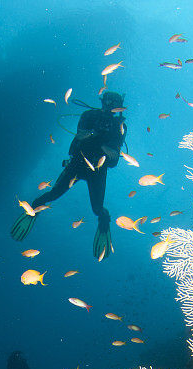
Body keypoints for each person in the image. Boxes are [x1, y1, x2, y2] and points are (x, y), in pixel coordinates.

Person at [10, 90, 126, 260]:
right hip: (77, 164)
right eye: (107, 101)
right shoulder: (89, 115)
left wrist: (95, 139)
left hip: (97, 170)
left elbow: (115, 156)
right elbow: (81, 135)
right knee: (53, 194)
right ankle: (32, 210)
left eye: (113, 103)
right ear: (102, 101)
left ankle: (104, 225)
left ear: (119, 106)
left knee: (97, 209)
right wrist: (101, 141)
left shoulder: (119, 126)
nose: (109, 105)